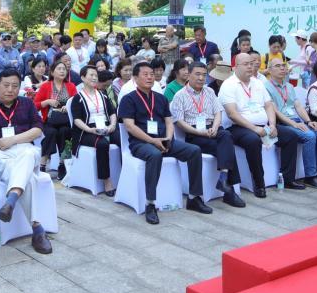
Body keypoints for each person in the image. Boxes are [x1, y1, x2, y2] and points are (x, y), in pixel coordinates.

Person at [0, 68, 54, 254]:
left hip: (23, 148)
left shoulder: (26, 104)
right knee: (28, 179)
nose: (10, 90)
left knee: (29, 153)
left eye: (15, 86)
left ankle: (12, 200)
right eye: (6, 85)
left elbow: (38, 129)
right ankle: (37, 229)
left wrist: (13, 140)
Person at [117, 61, 210, 224]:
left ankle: (194, 197)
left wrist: (167, 138)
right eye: (145, 74)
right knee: (154, 155)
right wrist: (152, 140)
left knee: (194, 151)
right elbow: (130, 127)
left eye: (152, 74)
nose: (150, 77)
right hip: (141, 143)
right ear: (135, 78)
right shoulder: (128, 99)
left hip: (164, 140)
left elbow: (169, 121)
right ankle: (150, 204)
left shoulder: (160, 98)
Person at [218, 53, 303, 195]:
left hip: (263, 125)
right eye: (246, 64)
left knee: (290, 135)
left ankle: (287, 179)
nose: (250, 67)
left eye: (251, 63)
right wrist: (254, 128)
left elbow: (269, 105)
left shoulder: (257, 83)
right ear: (235, 67)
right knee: (252, 140)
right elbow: (232, 114)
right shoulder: (228, 85)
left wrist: (273, 124)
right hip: (238, 127)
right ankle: (259, 184)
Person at [170, 63, 245, 207]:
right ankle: (228, 190)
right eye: (197, 74)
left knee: (225, 136)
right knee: (226, 145)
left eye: (204, 75)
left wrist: (215, 126)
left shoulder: (209, 91)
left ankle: (224, 180)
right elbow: (179, 122)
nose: (201, 78)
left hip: (212, 128)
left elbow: (218, 112)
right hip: (194, 133)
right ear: (189, 75)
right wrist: (199, 132)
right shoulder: (180, 95)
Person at [264, 57, 317, 188]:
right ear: (269, 70)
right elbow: (275, 111)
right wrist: (294, 124)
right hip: (282, 123)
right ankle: (310, 176)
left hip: (297, 121)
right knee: (309, 136)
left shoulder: (289, 86)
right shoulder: (266, 87)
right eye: (278, 66)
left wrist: (309, 121)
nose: (282, 68)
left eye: (284, 66)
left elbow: (298, 106)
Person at [67, 65, 119, 196]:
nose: (94, 77)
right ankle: (106, 180)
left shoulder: (103, 95)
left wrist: (112, 125)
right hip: (86, 130)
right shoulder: (77, 98)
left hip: (106, 127)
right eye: (91, 75)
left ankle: (124, 175)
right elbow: (77, 120)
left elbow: (113, 113)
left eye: (96, 75)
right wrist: (90, 130)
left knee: (122, 139)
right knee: (102, 144)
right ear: (83, 77)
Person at [34, 60, 76, 178]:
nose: (62, 71)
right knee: (50, 132)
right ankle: (42, 164)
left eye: (64, 69)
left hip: (65, 120)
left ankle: (62, 164)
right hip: (50, 120)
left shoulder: (71, 86)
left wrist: (67, 107)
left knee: (64, 131)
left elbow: (76, 104)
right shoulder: (46, 86)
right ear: (52, 72)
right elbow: (35, 105)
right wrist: (47, 102)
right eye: (59, 69)